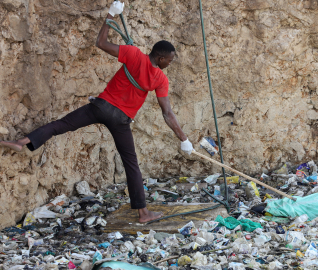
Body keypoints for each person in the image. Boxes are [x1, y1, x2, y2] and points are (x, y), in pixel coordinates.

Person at [0, 1, 194, 223]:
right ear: (160, 58)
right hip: (120, 119)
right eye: (168, 60)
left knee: (60, 125)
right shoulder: (160, 78)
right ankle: (143, 213)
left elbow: (100, 42)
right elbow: (167, 113)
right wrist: (183, 139)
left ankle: (23, 141)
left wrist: (111, 15)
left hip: (100, 107)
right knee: (131, 164)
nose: (169, 64)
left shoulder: (132, 54)